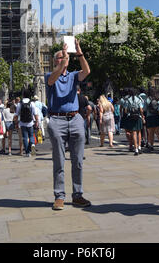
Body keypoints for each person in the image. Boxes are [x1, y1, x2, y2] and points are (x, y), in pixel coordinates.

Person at [45, 39, 91, 211]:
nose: (63, 59)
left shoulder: (72, 76)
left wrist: (79, 53)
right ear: (55, 61)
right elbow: (53, 79)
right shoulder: (50, 76)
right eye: (59, 57)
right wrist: (63, 62)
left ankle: (77, 195)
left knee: (78, 160)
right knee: (59, 161)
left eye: (64, 57)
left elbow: (86, 71)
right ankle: (59, 196)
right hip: (57, 120)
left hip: (75, 118)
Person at [14, 90, 39, 157]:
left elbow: (16, 114)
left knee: (25, 137)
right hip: (30, 122)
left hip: (22, 122)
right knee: (31, 135)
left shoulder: (20, 103)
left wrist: (16, 123)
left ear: (23, 95)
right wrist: (37, 121)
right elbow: (35, 114)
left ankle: (28, 153)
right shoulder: (32, 103)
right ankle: (33, 144)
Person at [122, 89, 145, 156]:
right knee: (139, 132)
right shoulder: (139, 99)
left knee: (133, 132)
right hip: (138, 116)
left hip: (131, 117)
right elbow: (141, 109)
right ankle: (139, 147)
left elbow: (125, 110)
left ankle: (136, 149)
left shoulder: (127, 100)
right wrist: (142, 115)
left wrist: (129, 111)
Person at [144, 88, 159, 154]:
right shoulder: (158, 99)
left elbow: (144, 109)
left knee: (151, 133)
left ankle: (151, 146)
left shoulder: (147, 99)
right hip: (156, 116)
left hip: (149, 117)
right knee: (158, 133)